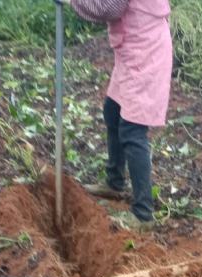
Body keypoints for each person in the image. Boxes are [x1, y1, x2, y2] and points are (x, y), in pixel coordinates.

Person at [68, 0, 173, 231]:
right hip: (132, 50)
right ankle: (114, 183)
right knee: (113, 111)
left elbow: (109, 7)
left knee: (133, 130)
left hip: (146, 54)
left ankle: (143, 214)